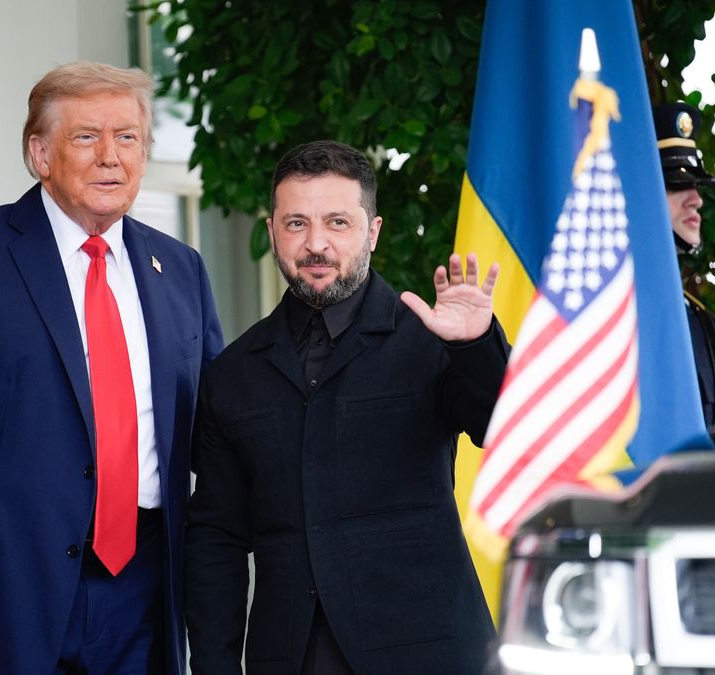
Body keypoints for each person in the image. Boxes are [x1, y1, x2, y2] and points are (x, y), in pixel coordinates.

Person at [0, 62, 224, 674]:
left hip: (147, 596)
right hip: (1, 600)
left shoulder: (181, 268)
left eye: (128, 137)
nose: (111, 156)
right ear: (40, 154)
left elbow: (220, 436)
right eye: (86, 137)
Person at [184, 141, 507, 675]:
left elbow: (501, 426)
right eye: (295, 224)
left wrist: (475, 345)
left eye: (337, 222)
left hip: (428, 653)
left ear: (372, 232)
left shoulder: (430, 339)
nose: (316, 244)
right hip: (289, 657)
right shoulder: (233, 373)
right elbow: (216, 539)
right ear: (271, 233)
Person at [653, 102, 715, 430]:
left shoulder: (702, 321)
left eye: (695, 185)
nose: (695, 199)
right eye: (676, 184)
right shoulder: (607, 305)